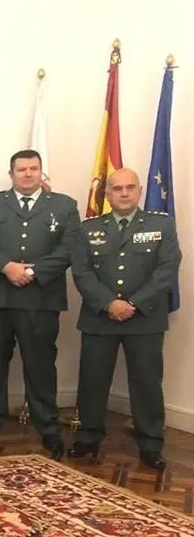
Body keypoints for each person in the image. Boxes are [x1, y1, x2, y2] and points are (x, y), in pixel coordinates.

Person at [0, 149, 79, 458]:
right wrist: (6, 267)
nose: (28, 174)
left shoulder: (64, 205)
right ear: (11, 173)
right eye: (22, 169)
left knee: (41, 365)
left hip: (40, 298)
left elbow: (70, 247)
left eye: (34, 169)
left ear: (41, 172)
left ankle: (48, 426)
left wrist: (32, 271)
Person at [70, 168, 181, 469]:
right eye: (117, 188)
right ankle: (88, 437)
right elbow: (81, 271)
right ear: (107, 194)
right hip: (99, 317)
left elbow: (167, 270)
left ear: (140, 190)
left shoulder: (162, 225)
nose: (124, 193)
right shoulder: (88, 228)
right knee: (93, 380)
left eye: (130, 187)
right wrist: (109, 303)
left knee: (146, 382)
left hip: (144, 318)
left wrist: (133, 303)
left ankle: (150, 444)